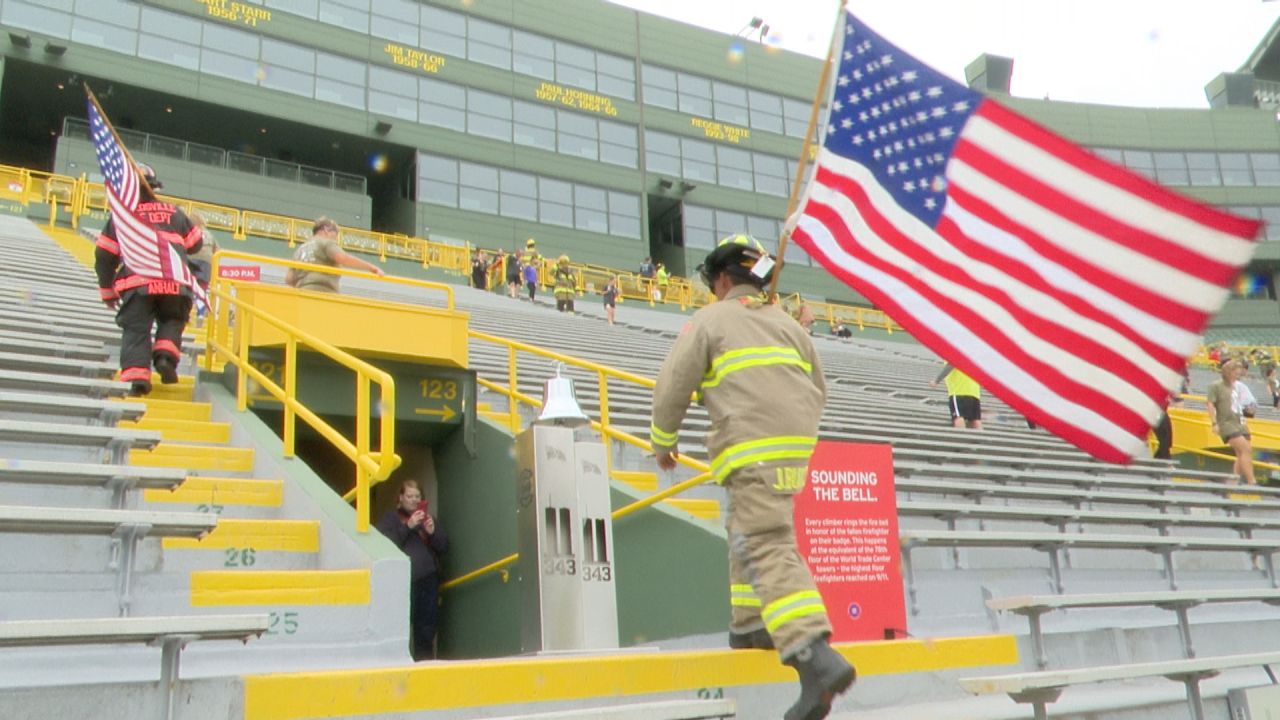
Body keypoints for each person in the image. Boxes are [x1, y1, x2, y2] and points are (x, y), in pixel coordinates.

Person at [649, 234, 854, 720]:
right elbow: (817, 386)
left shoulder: (710, 319)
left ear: (722, 280)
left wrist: (663, 441)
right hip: (791, 448)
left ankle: (814, 656)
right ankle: (750, 626)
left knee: (766, 544)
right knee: (746, 530)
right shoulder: (787, 325)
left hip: (751, 447)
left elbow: (672, 386)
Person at [95, 164, 202, 397]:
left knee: (136, 329)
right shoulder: (175, 212)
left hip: (137, 283)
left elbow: (104, 255)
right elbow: (196, 244)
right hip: (174, 282)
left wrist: (106, 289)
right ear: (154, 187)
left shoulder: (122, 218)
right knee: (172, 319)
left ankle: (137, 380)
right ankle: (165, 357)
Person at [377, 480, 449, 660]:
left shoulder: (428, 519)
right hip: (400, 583)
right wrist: (407, 527)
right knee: (397, 629)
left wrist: (432, 533)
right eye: (409, 496)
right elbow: (383, 544)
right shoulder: (391, 519)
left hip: (427, 581)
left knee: (426, 631)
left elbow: (443, 547)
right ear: (400, 498)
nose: (414, 500)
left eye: (417, 496)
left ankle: (424, 672)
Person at [284, 216, 384, 292]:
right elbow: (342, 258)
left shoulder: (299, 250)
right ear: (326, 230)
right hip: (323, 291)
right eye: (335, 235)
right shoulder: (325, 243)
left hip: (303, 293)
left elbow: (289, 279)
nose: (335, 239)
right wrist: (371, 268)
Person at [1206, 359, 1257, 485]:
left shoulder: (1235, 386)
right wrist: (1214, 423)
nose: (1237, 376)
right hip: (1227, 423)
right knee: (1245, 449)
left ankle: (1233, 480)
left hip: (1239, 420)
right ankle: (1252, 481)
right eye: (1236, 373)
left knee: (1243, 452)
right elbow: (1210, 404)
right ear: (1229, 372)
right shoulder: (1216, 386)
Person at [931, 362, 982, 429]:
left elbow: (951, 364)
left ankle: (961, 436)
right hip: (975, 392)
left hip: (959, 391)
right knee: (975, 419)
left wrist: (936, 381)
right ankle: (978, 437)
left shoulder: (953, 354)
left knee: (958, 417)